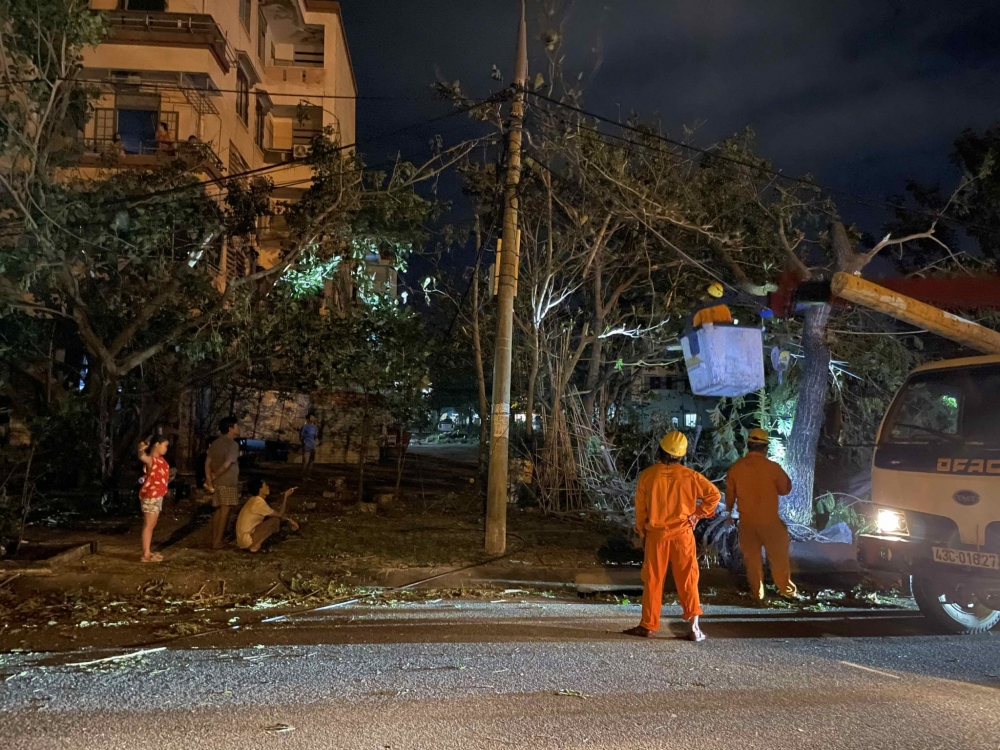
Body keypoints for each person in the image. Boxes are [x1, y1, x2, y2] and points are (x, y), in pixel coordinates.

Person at [624, 430, 721, 642]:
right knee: (688, 579)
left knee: (653, 580)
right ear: (681, 455)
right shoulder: (691, 476)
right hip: (683, 536)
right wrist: (697, 515)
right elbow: (714, 495)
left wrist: (641, 531)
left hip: (657, 537)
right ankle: (694, 629)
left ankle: (648, 625)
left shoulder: (648, 476)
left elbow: (641, 510)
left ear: (660, 450)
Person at [725, 428, 797, 601]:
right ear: (765, 448)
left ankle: (757, 594)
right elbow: (786, 489)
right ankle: (786, 591)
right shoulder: (772, 468)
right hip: (770, 522)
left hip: (747, 523)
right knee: (778, 557)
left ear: (748, 446)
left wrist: (729, 512)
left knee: (752, 560)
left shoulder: (735, 468)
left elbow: (729, 497)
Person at [205, 417, 241, 550]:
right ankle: (217, 541)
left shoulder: (215, 443)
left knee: (219, 510)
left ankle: (215, 538)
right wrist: (216, 474)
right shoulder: (233, 444)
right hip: (227, 480)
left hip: (218, 482)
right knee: (225, 511)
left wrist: (210, 479)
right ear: (230, 428)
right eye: (236, 425)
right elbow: (227, 464)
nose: (238, 428)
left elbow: (207, 463)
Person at [235, 478, 299, 553]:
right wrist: (285, 497)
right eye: (265, 486)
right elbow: (280, 515)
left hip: (243, 540)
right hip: (248, 540)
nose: (268, 487)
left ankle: (255, 544)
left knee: (272, 520)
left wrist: (289, 520)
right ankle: (256, 545)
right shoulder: (259, 503)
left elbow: (273, 514)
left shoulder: (254, 500)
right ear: (260, 489)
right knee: (275, 521)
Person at [137, 435, 171, 563]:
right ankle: (145, 554)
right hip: (151, 496)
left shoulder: (160, 460)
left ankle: (147, 551)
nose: (166, 449)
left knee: (151, 524)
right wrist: (141, 449)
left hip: (157, 496)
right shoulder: (152, 460)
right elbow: (142, 456)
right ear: (157, 444)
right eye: (165, 445)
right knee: (149, 525)